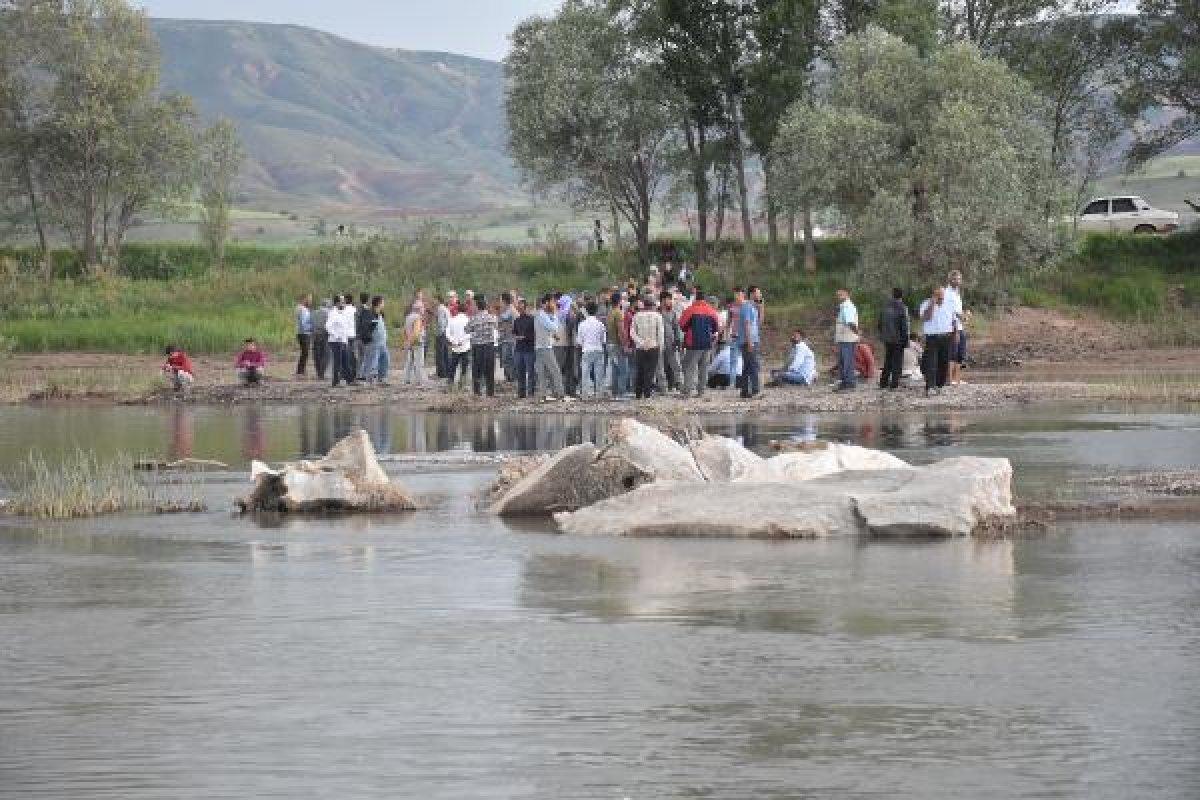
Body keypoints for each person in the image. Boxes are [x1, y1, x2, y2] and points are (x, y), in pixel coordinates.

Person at [678, 289, 720, 398]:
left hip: (693, 343)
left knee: (689, 367)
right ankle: (701, 391)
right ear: (705, 299)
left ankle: (687, 392)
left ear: (696, 298)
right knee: (704, 368)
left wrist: (689, 330)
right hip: (707, 343)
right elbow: (716, 327)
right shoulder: (711, 310)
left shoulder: (690, 310)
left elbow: (682, 325)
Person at [920, 286, 955, 395]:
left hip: (946, 336)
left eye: (942, 296)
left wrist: (955, 333)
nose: (941, 298)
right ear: (933, 295)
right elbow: (926, 317)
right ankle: (930, 386)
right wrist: (932, 304)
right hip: (932, 337)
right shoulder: (926, 304)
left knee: (944, 362)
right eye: (938, 296)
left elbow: (953, 320)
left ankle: (940, 385)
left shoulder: (949, 304)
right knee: (931, 362)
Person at [535, 294, 567, 402]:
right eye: (552, 302)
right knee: (556, 371)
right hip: (545, 348)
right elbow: (554, 327)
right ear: (546, 303)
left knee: (542, 372)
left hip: (540, 347)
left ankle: (542, 396)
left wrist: (553, 336)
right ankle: (561, 394)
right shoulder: (542, 315)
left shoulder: (540, 314)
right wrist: (555, 314)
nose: (554, 304)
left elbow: (546, 329)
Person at [630, 296, 664, 400]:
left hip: (640, 348)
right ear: (653, 305)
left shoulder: (636, 316)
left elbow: (632, 332)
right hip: (653, 346)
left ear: (644, 305)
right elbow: (660, 333)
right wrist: (660, 347)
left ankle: (638, 394)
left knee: (640, 370)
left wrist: (641, 342)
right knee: (650, 371)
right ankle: (647, 393)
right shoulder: (657, 316)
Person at [878, 287, 910, 390]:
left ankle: (883, 382)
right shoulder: (902, 308)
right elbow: (904, 326)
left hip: (887, 338)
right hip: (898, 339)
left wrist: (882, 335)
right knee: (897, 362)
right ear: (902, 296)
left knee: (888, 360)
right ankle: (894, 384)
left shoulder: (885, 307)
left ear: (892, 295)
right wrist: (905, 340)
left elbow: (879, 323)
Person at [466, 295, 498, 397]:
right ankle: (490, 393)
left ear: (477, 307)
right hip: (489, 346)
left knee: (477, 370)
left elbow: (466, 329)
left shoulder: (474, 318)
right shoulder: (492, 317)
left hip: (477, 347)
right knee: (489, 370)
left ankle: (477, 392)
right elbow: (497, 326)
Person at [576, 300, 607, 398]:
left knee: (585, 373)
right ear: (596, 311)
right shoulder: (600, 324)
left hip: (586, 350)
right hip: (598, 349)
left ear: (587, 310)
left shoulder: (582, 324)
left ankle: (584, 394)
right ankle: (599, 393)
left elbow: (579, 342)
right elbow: (603, 340)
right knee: (599, 373)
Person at [326, 294, 357, 387]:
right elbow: (328, 326)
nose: (344, 303)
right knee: (337, 362)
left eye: (344, 301)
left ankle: (350, 380)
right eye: (342, 302)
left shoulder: (343, 313)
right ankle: (335, 382)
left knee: (345, 361)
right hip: (336, 341)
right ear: (337, 303)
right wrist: (336, 336)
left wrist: (345, 339)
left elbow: (345, 327)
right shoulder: (333, 313)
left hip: (343, 341)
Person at [945, 269, 970, 385]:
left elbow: (958, 311)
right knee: (952, 354)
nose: (957, 281)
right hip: (952, 327)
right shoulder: (947, 293)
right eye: (955, 279)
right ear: (950, 280)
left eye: (959, 279)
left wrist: (965, 315)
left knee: (960, 353)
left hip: (960, 326)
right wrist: (964, 316)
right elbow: (951, 312)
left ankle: (957, 379)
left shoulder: (957, 293)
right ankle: (949, 380)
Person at [834, 288, 860, 391]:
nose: (838, 295)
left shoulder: (848, 306)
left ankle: (848, 382)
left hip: (847, 338)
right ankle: (846, 381)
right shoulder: (843, 306)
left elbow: (850, 323)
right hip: (844, 337)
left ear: (847, 294)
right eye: (838, 294)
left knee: (847, 361)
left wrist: (857, 333)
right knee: (844, 360)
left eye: (841, 294)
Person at [605, 291, 630, 397]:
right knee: (623, 369)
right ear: (620, 301)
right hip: (617, 344)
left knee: (614, 369)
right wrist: (625, 345)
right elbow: (621, 330)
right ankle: (622, 393)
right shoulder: (618, 313)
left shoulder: (610, 312)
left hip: (610, 343)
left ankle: (615, 392)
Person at [738, 288, 761, 399]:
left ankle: (745, 391)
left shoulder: (754, 307)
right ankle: (755, 390)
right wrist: (749, 342)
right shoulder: (747, 306)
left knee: (747, 366)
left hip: (753, 340)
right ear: (752, 294)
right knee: (753, 365)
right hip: (749, 341)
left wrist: (762, 306)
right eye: (758, 293)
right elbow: (747, 324)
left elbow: (759, 322)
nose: (760, 295)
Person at [658, 291, 683, 392]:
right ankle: (662, 386)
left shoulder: (673, 313)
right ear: (663, 300)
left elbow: (676, 328)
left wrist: (678, 341)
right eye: (669, 299)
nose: (670, 302)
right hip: (658, 342)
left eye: (671, 299)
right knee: (659, 365)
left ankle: (679, 382)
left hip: (671, 342)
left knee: (675, 364)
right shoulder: (656, 312)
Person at [512, 297, 537, 399]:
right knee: (520, 372)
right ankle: (521, 394)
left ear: (525, 306)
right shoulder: (517, 320)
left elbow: (535, 334)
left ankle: (531, 393)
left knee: (530, 372)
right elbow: (513, 333)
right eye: (518, 305)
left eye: (521, 305)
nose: (519, 307)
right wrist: (517, 337)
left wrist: (525, 337)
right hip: (518, 349)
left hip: (529, 349)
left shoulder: (532, 319)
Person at [363, 295, 389, 385]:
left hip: (382, 342)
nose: (384, 304)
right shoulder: (371, 314)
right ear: (378, 303)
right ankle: (370, 378)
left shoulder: (381, 313)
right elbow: (368, 328)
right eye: (383, 302)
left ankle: (382, 378)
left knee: (385, 359)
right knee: (373, 360)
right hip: (374, 342)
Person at [445, 302, 471, 391]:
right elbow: (470, 334)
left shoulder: (452, 320)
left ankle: (450, 384)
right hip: (465, 346)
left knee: (453, 366)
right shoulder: (468, 320)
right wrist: (462, 341)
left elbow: (447, 334)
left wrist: (454, 341)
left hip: (455, 347)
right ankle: (462, 384)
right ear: (466, 310)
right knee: (464, 366)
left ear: (457, 310)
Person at [402, 300, 425, 385]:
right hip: (417, 342)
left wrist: (406, 342)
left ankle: (406, 379)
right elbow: (416, 333)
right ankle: (419, 381)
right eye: (422, 307)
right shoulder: (417, 318)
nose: (424, 309)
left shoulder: (408, 317)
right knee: (419, 362)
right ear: (418, 309)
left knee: (409, 362)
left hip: (410, 341)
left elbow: (404, 330)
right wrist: (410, 342)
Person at [498, 291, 517, 382]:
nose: (500, 301)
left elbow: (515, 325)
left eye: (501, 300)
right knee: (506, 360)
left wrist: (505, 328)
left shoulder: (511, 310)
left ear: (505, 301)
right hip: (505, 339)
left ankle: (512, 379)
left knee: (509, 359)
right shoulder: (506, 309)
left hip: (510, 339)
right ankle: (509, 378)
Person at [312, 298, 332, 381]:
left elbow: (311, 323)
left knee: (317, 354)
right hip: (325, 334)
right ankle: (322, 373)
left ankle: (318, 373)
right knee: (325, 354)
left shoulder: (314, 312)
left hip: (315, 334)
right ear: (328, 305)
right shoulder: (329, 313)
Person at [354, 291, 372, 381]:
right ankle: (363, 374)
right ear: (368, 300)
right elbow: (367, 325)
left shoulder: (356, 310)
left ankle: (358, 374)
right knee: (365, 356)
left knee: (360, 357)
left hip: (357, 336)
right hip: (364, 337)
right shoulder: (367, 311)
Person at [294, 294, 313, 377]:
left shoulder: (298, 308)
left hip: (299, 333)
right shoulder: (304, 310)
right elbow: (304, 323)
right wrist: (311, 328)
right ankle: (301, 371)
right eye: (309, 299)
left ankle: (300, 370)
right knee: (305, 352)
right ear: (304, 299)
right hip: (304, 333)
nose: (310, 301)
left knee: (304, 352)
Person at [433, 294, 450, 379]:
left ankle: (441, 374)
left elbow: (441, 323)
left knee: (440, 354)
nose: (433, 301)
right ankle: (447, 372)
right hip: (446, 333)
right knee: (445, 353)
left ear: (438, 300)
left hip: (441, 333)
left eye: (434, 299)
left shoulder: (440, 309)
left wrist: (439, 333)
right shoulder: (445, 308)